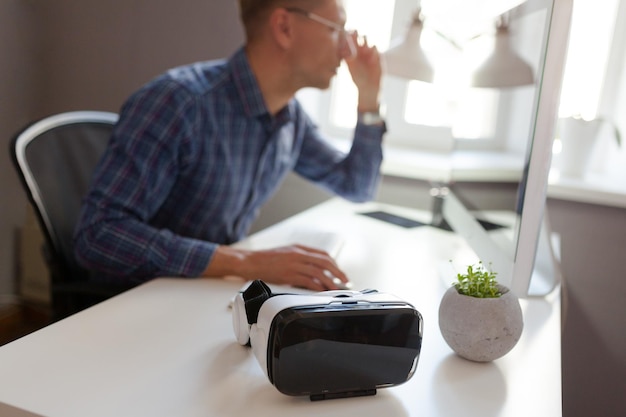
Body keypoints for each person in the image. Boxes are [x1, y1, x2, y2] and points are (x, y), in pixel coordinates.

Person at [73, 0, 385, 291]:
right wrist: (245, 262)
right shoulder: (179, 103)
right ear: (284, 28)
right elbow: (97, 235)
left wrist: (369, 100)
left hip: (204, 295)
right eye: (335, 29)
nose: (347, 50)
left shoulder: (290, 119)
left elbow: (356, 186)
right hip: (132, 306)